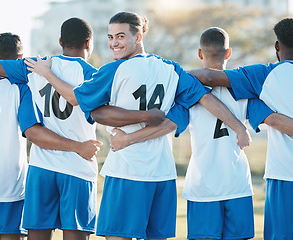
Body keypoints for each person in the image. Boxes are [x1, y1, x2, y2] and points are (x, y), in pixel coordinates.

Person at [24, 11, 253, 240]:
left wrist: (46, 73)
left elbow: (89, 107)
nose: (114, 43)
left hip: (126, 170)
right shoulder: (171, 69)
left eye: (121, 36)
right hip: (162, 174)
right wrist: (239, 128)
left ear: (139, 37)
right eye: (111, 37)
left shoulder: (114, 70)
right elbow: (205, 98)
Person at [109, 26, 293, 240]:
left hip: (202, 186)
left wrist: (128, 139)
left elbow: (167, 125)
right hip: (237, 185)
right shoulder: (246, 92)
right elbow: (274, 119)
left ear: (199, 53)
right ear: (229, 52)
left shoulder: (187, 94)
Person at [189, 17, 293, 240]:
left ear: (277, 46)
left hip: (285, 174)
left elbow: (208, 76)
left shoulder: (264, 75)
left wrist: (174, 76)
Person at [0, 19, 120, 240]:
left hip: (41, 167)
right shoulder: (94, 75)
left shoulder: (34, 66)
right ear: (89, 43)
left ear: (60, 41)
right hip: (78, 168)